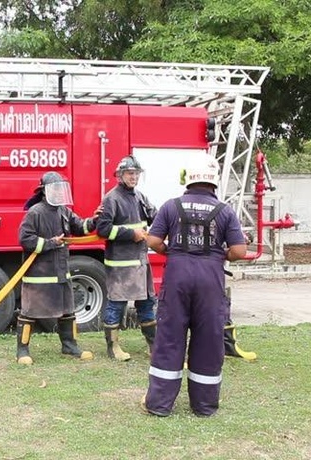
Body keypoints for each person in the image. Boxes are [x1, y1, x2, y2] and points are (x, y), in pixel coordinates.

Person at [143, 152, 247, 417]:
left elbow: (153, 241)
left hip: (177, 275)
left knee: (169, 338)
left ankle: (159, 404)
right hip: (210, 279)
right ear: (214, 181)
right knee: (208, 339)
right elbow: (239, 250)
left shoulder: (170, 206)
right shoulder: (224, 211)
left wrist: (172, 251)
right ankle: (204, 406)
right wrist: (218, 255)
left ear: (186, 179)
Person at [17, 171, 99, 365]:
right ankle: (22, 351)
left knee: (67, 311)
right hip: (39, 276)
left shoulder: (64, 211)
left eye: (61, 189)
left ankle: (69, 346)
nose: (59, 193)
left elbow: (79, 227)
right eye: (55, 189)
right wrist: (50, 243)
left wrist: (95, 220)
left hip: (61, 273)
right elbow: (25, 239)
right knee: (29, 313)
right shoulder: (35, 212)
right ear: (44, 191)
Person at [96, 155, 157, 361]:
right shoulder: (111, 199)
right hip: (121, 266)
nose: (134, 177)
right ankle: (113, 348)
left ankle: (154, 347)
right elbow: (103, 229)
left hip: (140, 264)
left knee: (147, 304)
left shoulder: (139, 196)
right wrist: (132, 234)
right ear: (120, 176)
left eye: (136, 173)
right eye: (130, 173)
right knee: (116, 306)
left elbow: (155, 216)